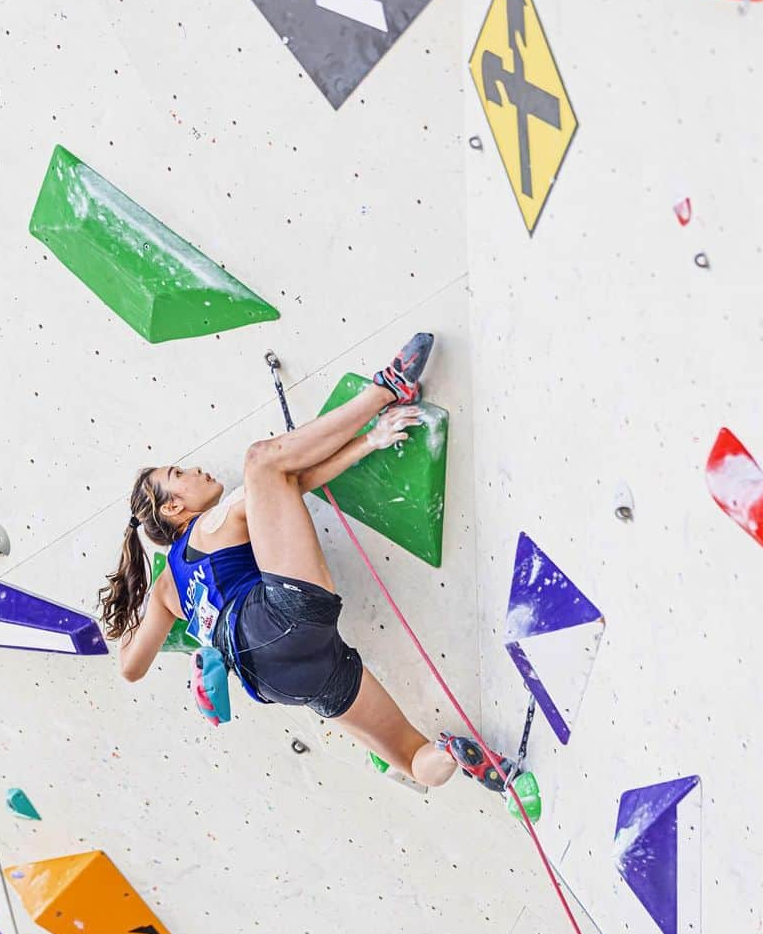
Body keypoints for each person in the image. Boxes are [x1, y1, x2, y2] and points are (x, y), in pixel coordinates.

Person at [99, 334, 512, 790]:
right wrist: (369, 439)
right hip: (273, 619)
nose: (196, 470)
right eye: (179, 475)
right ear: (173, 509)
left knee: (414, 760)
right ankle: (388, 386)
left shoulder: (165, 593)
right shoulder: (215, 519)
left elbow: (129, 668)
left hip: (279, 680)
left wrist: (142, 606)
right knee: (259, 460)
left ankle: (452, 756)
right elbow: (289, 478)